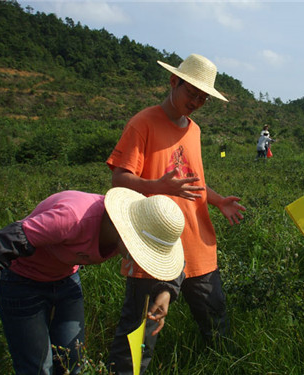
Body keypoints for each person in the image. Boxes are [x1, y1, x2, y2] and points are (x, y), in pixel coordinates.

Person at [106, 53, 246, 373]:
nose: (196, 101)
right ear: (174, 82)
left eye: (203, 97)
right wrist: (157, 185)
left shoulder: (194, 131)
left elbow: (191, 182)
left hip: (197, 245)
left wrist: (218, 200)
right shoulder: (143, 123)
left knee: (216, 321)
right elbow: (119, 180)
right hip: (153, 246)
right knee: (141, 329)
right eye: (191, 92)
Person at [0, 187, 186, 375]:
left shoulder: (136, 226)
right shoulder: (72, 218)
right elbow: (1, 244)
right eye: (144, 249)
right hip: (22, 283)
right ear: (127, 232)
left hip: (65, 280)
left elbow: (175, 261)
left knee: (72, 362)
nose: (141, 257)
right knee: (38, 367)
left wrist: (166, 291)